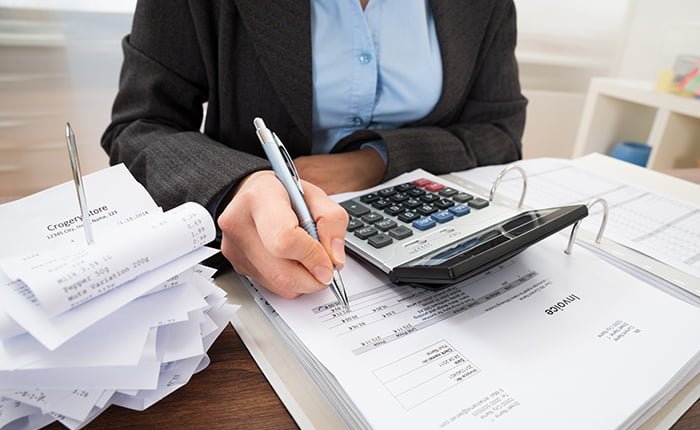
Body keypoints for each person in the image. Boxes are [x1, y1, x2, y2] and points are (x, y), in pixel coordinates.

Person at [101, 0, 527, 299]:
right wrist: (241, 185)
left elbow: (499, 131)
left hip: (435, 238)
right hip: (253, 263)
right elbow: (138, 128)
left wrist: (370, 161)